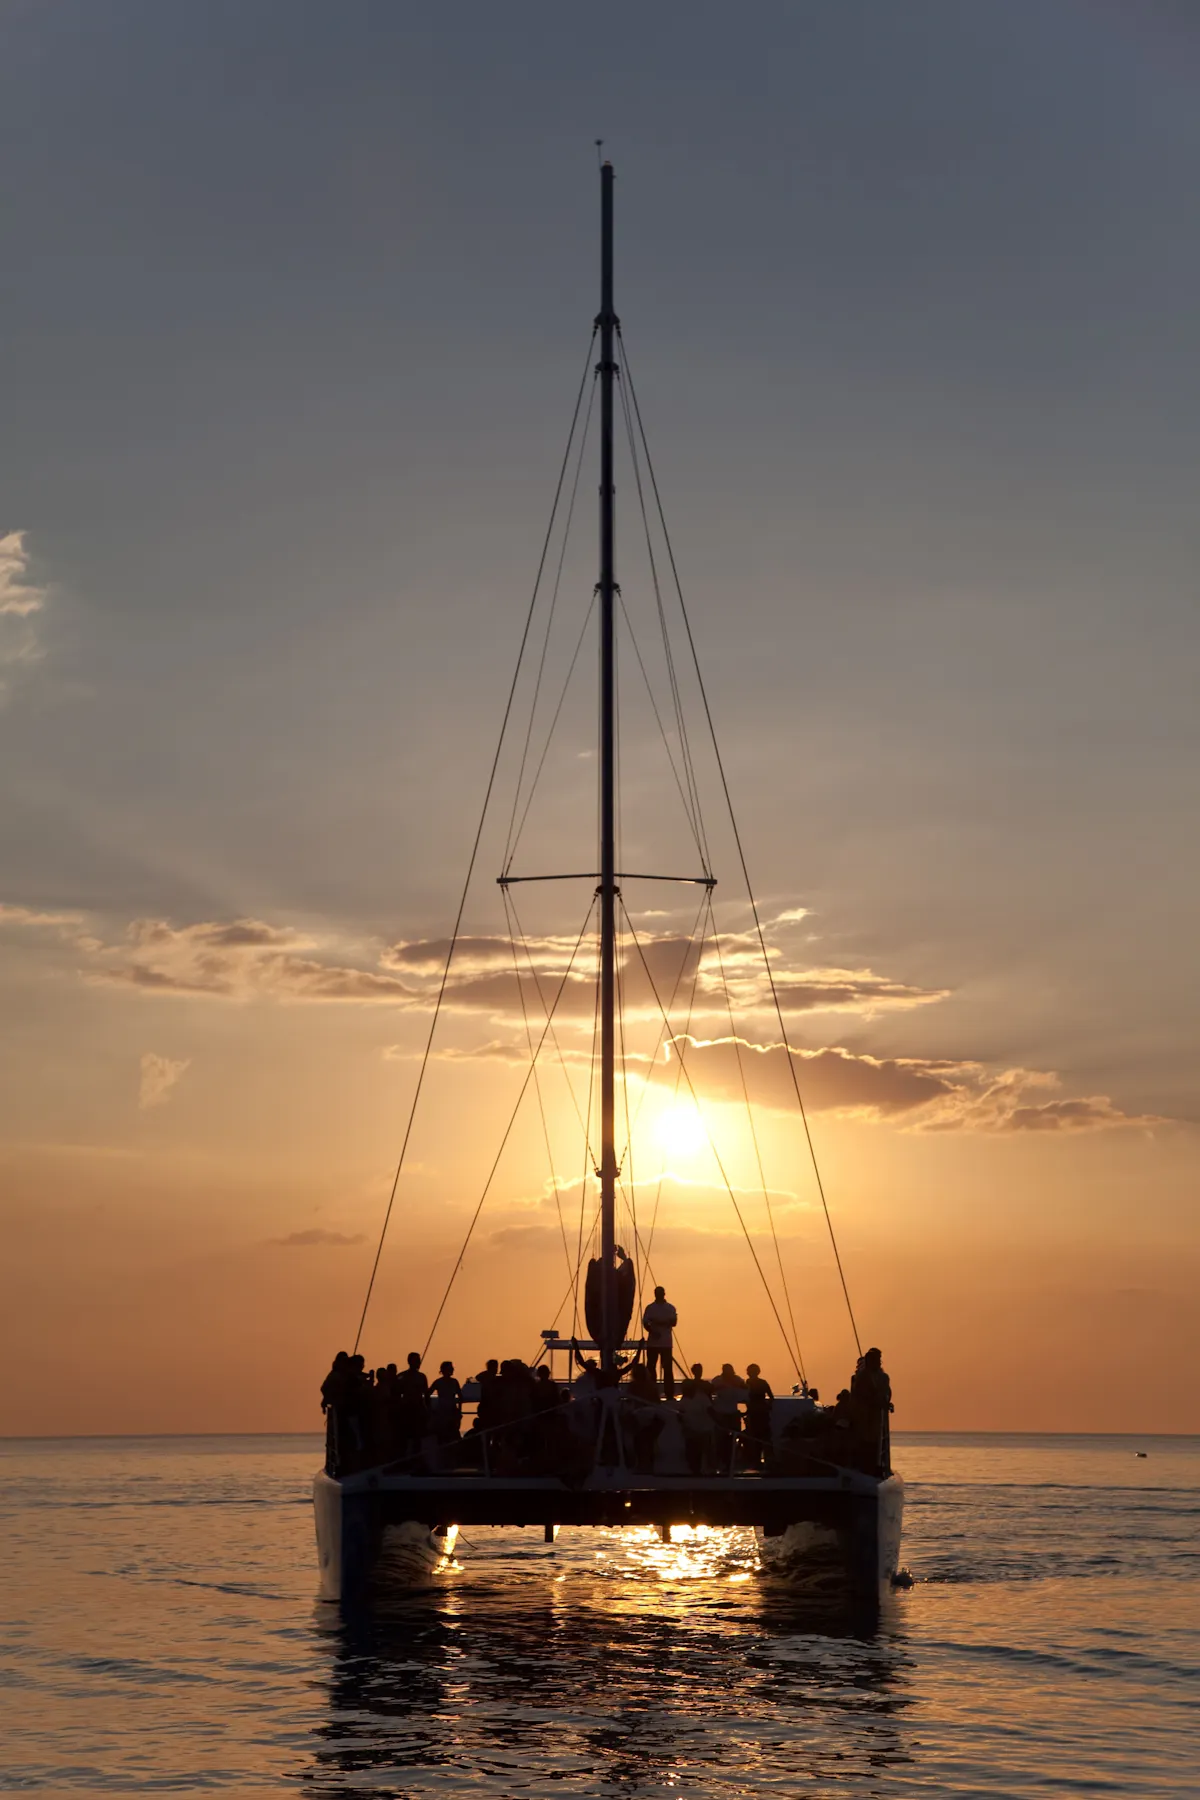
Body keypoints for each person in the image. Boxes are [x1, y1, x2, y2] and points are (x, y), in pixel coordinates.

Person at [642, 1286, 678, 1400]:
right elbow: (645, 1323)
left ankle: (669, 1394)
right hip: (653, 1343)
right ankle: (652, 1393)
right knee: (651, 1368)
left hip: (666, 1343)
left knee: (667, 1369)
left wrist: (657, 1323)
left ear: (664, 1294)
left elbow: (674, 1322)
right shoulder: (650, 1308)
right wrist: (653, 1330)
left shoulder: (670, 1308)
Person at [395, 1351, 430, 1464]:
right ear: (410, 1362)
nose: (419, 1362)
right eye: (416, 1360)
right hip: (406, 1410)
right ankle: (403, 1461)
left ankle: (416, 1461)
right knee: (404, 1438)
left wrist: (427, 1410)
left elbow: (426, 1395)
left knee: (417, 1438)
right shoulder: (402, 1376)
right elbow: (396, 1393)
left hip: (418, 1409)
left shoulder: (422, 1377)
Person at [679, 1379, 716, 1475]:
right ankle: (694, 1471)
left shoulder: (702, 1397)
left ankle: (711, 1470)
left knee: (707, 1451)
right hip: (691, 1431)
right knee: (692, 1452)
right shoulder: (684, 1399)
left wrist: (718, 1422)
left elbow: (710, 1411)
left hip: (704, 1430)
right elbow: (680, 1415)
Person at [429, 1360, 463, 1465]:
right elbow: (427, 1394)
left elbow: (460, 1396)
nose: (452, 1369)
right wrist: (430, 1409)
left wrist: (459, 1411)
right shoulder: (438, 1382)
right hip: (442, 1414)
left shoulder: (454, 1382)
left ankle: (453, 1460)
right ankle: (443, 1461)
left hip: (452, 1413)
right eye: (450, 1368)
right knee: (443, 1438)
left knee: (454, 1438)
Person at [742, 1363, 774, 1469]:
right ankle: (767, 1460)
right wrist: (768, 1406)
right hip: (762, 1412)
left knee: (756, 1438)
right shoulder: (763, 1383)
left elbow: (746, 1397)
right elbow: (771, 1397)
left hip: (754, 1413)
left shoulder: (748, 1383)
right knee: (764, 1437)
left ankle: (757, 1461)